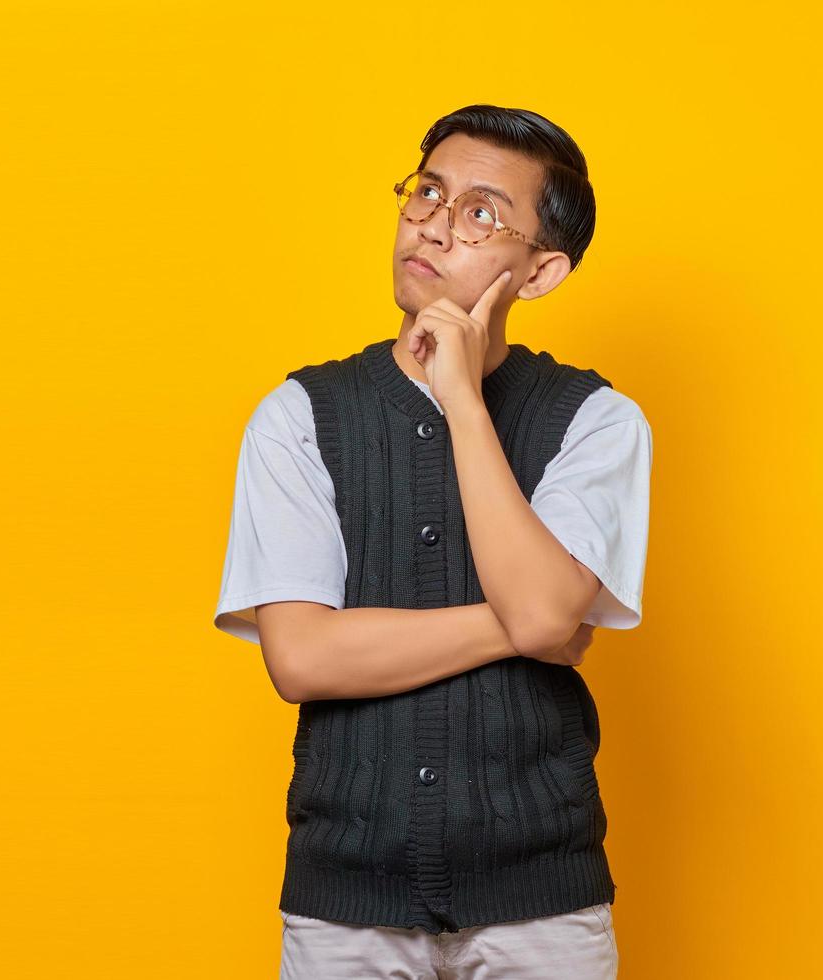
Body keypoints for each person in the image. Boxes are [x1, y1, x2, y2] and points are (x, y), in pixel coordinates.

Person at [213, 104, 652, 979]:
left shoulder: (598, 422)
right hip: (346, 903)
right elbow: (300, 658)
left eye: (482, 212)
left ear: (542, 270)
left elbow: (539, 614)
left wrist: (460, 398)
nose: (435, 223)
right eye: (428, 191)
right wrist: (534, 624)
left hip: (542, 902)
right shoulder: (299, 417)